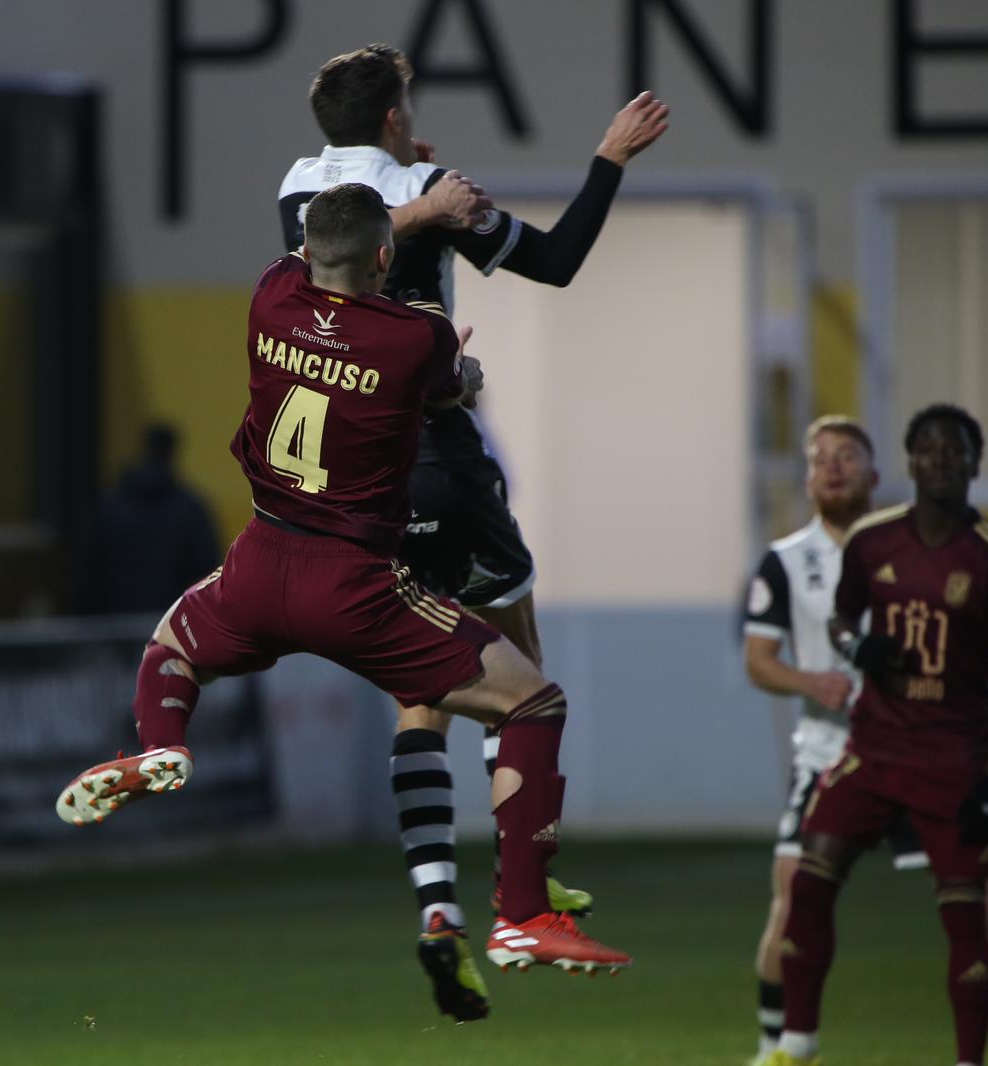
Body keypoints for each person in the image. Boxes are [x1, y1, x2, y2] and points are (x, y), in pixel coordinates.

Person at [55, 184, 633, 1015]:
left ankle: (163, 743)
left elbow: (327, 253)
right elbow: (448, 386)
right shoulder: (415, 335)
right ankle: (523, 914)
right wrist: (461, 377)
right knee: (530, 701)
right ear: (385, 259)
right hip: (356, 582)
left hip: (259, 562)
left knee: (170, 646)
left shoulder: (269, 294)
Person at [276, 42, 668, 1016]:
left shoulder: (299, 187)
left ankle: (438, 906)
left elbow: (319, 255)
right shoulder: (426, 188)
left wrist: (413, 196)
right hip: (437, 454)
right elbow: (559, 261)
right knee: (523, 677)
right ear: (398, 118)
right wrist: (608, 158)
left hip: (349, 479)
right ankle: (525, 892)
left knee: (425, 681)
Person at [743, 415, 988, 1066]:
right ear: (808, 477)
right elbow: (759, 659)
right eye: (821, 458)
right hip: (834, 747)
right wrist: (814, 679)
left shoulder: (922, 541)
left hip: (930, 747)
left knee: (982, 908)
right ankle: (776, 1049)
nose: (834, 467)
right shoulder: (786, 561)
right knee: (792, 895)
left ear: (876, 472)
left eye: (848, 455)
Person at [76, 423, 222, 615]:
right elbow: (208, 571)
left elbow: (89, 568)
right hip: (168, 623)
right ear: (173, 452)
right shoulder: (189, 509)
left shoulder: (111, 505)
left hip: (113, 623)